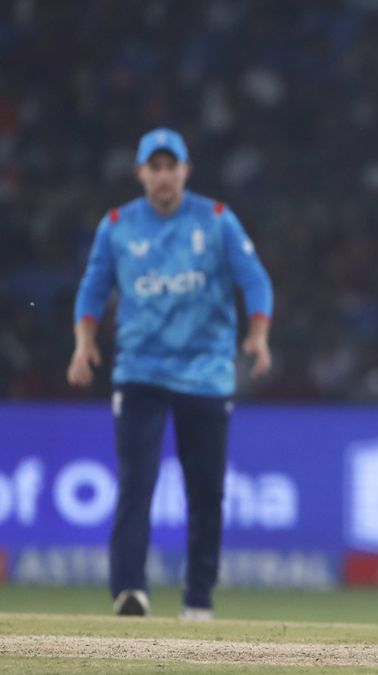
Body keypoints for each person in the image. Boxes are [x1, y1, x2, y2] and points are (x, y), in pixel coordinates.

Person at [67, 128, 274, 620]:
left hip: (205, 375)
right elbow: (92, 291)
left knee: (206, 492)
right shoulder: (117, 225)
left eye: (171, 166)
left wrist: (259, 334)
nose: (163, 176)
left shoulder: (217, 220)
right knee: (136, 482)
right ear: (141, 173)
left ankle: (198, 599)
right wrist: (84, 344)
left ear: (186, 171)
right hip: (139, 372)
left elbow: (256, 282)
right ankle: (129, 592)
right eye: (153, 167)